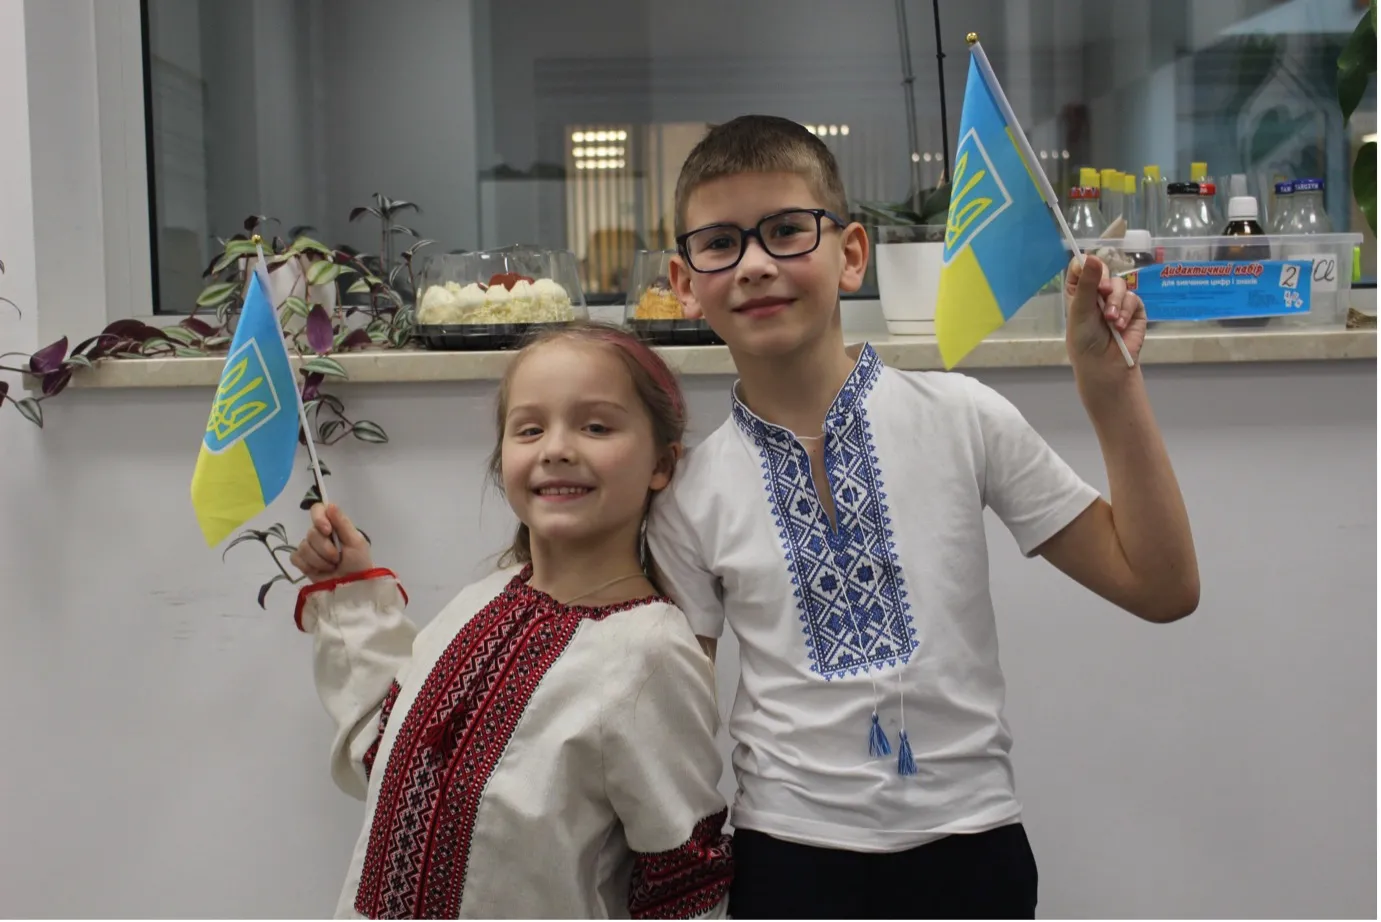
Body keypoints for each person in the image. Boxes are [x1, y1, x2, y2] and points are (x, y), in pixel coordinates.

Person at [647, 115, 1199, 919]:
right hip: (786, 858)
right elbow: (675, 718)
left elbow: (1160, 586)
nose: (755, 264)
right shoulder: (687, 495)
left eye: (786, 231)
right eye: (720, 244)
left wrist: (1109, 388)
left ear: (851, 254)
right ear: (684, 280)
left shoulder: (962, 416)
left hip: (971, 849)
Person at [289, 322, 733, 919]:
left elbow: (681, 884)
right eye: (529, 429)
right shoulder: (480, 600)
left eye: (596, 427)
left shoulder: (650, 654)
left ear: (662, 463)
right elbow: (383, 749)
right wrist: (351, 594)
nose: (556, 449)